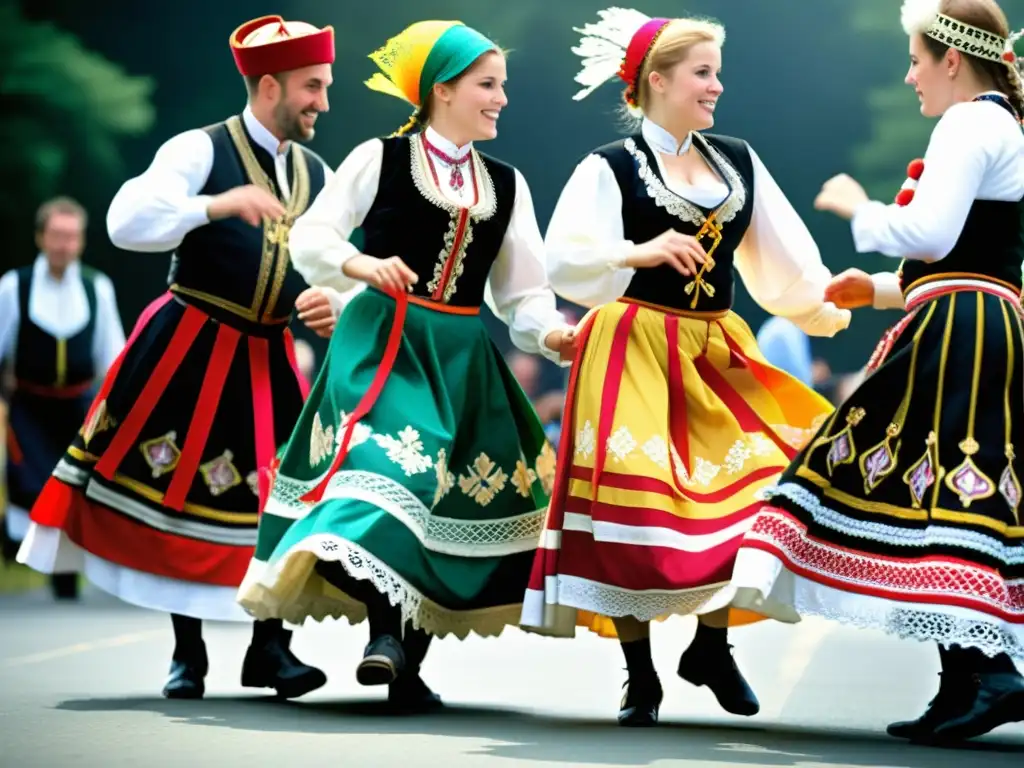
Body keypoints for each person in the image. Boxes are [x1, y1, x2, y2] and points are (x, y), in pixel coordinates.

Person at [518, 8, 851, 727]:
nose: (716, 87)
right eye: (703, 72)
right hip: (631, 347)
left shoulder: (736, 160)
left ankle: (710, 642)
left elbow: (784, 262)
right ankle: (640, 675)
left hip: (715, 350)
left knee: (772, 483)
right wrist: (637, 252)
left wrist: (829, 309)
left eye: (716, 72)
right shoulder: (607, 166)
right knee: (635, 505)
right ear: (656, 81)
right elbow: (565, 259)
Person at [236, 19, 575, 712]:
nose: (502, 99)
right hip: (381, 343)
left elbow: (522, 294)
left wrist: (553, 336)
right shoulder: (381, 158)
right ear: (441, 90)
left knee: (449, 495)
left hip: (458, 357)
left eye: (502, 86)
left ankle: (405, 660)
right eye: (488, 85)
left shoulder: (506, 186)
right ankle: (384, 637)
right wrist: (360, 265)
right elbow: (314, 234)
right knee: (391, 474)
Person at [16, 14, 357, 701]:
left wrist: (333, 303)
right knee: (183, 490)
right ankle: (187, 655)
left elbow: (337, 269)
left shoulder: (317, 175)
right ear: (269, 87)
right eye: (312, 87)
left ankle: (270, 648)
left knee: (281, 499)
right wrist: (214, 204)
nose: (323, 101)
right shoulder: (201, 149)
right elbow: (124, 222)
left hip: (268, 355)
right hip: (189, 345)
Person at [729, 0, 1024, 745]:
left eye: (917, 59)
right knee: (940, 489)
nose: (909, 74)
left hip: (960, 329)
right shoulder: (1000, 125)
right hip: (978, 319)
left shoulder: (970, 122)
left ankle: (987, 674)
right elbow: (972, 255)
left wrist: (858, 209)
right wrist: (880, 289)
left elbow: (929, 233)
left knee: (933, 484)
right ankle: (965, 681)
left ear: (951, 60)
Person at [0, 197, 126, 600]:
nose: (63, 245)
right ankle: (20, 546)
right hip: (30, 408)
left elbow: (112, 354)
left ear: (82, 242)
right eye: (56, 235)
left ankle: (65, 574)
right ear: (40, 237)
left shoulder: (97, 287)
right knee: (32, 484)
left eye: (71, 237)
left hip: (79, 408)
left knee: (75, 490)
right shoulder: (13, 286)